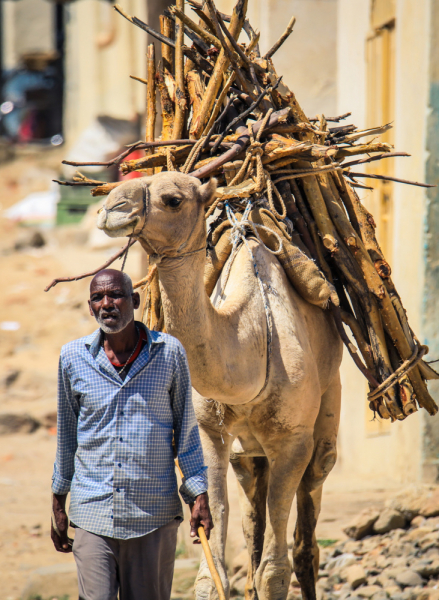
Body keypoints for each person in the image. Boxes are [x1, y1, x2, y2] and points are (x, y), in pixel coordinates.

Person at [51, 268, 212, 600]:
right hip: (92, 510)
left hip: (152, 514)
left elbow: (186, 430)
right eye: (98, 297)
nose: (107, 304)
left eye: (116, 295)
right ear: (90, 306)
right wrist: (58, 499)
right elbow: (67, 436)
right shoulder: (73, 358)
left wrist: (198, 494)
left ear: (134, 300)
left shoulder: (168, 353)